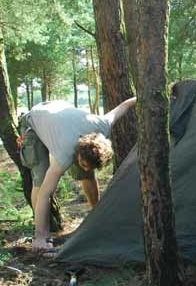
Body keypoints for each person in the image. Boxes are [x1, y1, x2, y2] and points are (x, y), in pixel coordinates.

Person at [19, 97, 136, 253]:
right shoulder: (65, 153)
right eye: (84, 164)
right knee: (40, 182)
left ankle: (97, 217)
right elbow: (45, 194)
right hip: (33, 123)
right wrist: (41, 237)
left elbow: (125, 104)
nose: (86, 168)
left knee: (87, 175)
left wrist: (161, 91)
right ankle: (41, 234)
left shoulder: (102, 125)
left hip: (58, 117)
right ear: (79, 153)